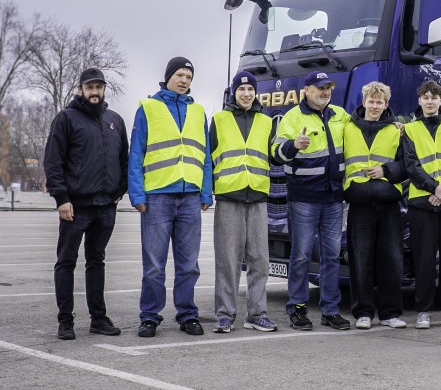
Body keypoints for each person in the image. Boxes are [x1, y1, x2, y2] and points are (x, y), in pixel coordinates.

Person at [128, 57, 213, 338]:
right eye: (180, 75)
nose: (184, 80)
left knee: (189, 265)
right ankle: (149, 317)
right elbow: (136, 153)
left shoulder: (198, 111)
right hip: (157, 197)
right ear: (168, 77)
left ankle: (187, 315)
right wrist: (137, 194)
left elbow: (205, 157)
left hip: (190, 198)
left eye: (189, 76)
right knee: (154, 265)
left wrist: (206, 191)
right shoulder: (148, 107)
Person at [43, 67, 128, 340]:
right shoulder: (66, 119)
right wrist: (62, 199)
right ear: (80, 89)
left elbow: (124, 160)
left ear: (104, 90)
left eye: (98, 87)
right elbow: (53, 161)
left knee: (96, 261)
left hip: (106, 206)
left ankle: (98, 319)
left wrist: (120, 190)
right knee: (66, 262)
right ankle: (65, 320)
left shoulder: (115, 120)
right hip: (75, 207)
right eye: (89, 87)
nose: (94, 91)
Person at [272, 71, 351, 330]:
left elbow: (363, 126)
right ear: (307, 90)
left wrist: (394, 124)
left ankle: (330, 311)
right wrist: (294, 145)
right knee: (301, 255)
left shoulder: (340, 114)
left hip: (333, 197)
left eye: (328, 87)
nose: (325, 91)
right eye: (320, 88)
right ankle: (297, 309)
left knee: (331, 256)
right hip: (304, 198)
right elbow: (276, 154)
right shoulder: (292, 117)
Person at [209, 70, 277, 333]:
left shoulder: (267, 122)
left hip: (258, 198)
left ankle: (257, 314)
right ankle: (225, 314)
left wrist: (294, 146)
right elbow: (207, 159)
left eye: (250, 90)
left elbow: (275, 155)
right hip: (229, 198)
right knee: (228, 260)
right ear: (234, 92)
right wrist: (207, 193)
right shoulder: (219, 120)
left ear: (255, 93)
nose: (246, 94)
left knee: (260, 260)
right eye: (241, 90)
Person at [403, 80, 441, 330]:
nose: (430, 101)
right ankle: (423, 310)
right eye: (425, 97)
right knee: (424, 260)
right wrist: (433, 188)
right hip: (423, 203)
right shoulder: (410, 130)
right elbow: (410, 164)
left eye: (434, 97)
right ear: (419, 100)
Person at [343, 81, 407, 329]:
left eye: (379, 102)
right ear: (364, 102)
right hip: (359, 204)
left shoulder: (397, 130)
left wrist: (386, 171)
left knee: (391, 259)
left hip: (388, 203)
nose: (375, 106)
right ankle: (363, 312)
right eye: (371, 101)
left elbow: (406, 164)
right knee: (360, 260)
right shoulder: (347, 128)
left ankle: (391, 313)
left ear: (386, 105)